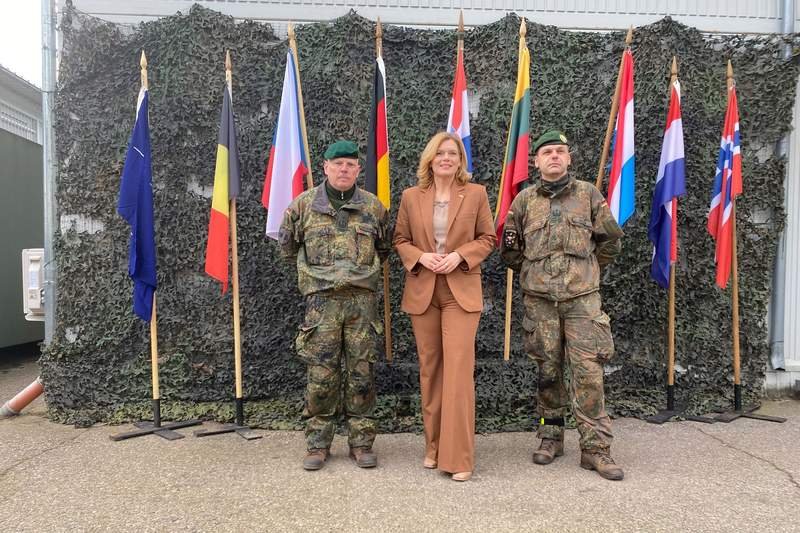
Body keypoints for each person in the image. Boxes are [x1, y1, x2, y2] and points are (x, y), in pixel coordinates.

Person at [500, 130, 625, 481]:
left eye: (560, 151)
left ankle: (596, 449)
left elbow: (610, 242)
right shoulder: (524, 201)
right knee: (547, 373)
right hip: (540, 304)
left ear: (569, 158)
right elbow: (510, 251)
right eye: (547, 152)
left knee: (589, 374)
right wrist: (538, 276)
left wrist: (584, 273)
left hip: (583, 303)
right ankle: (550, 434)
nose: (554, 156)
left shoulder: (588, 195)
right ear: (536, 161)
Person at [279, 140, 391, 471]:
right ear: (325, 167)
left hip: (361, 304)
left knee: (362, 374)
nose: (344, 169)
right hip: (321, 305)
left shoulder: (373, 207)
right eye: (337, 163)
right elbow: (288, 248)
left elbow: (384, 248)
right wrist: (319, 279)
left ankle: (361, 442)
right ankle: (317, 444)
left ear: (358, 169)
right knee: (321, 375)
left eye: (350, 164)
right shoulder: (302, 206)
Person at [393, 132, 495, 482]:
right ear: (430, 160)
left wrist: (459, 256)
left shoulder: (476, 194)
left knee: (458, 370)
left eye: (453, 153)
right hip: (423, 289)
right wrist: (421, 256)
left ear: (460, 160)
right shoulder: (411, 197)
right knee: (431, 369)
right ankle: (434, 447)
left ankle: (459, 457)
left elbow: (488, 238)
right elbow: (400, 239)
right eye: (440, 153)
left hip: (460, 291)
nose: (446, 158)